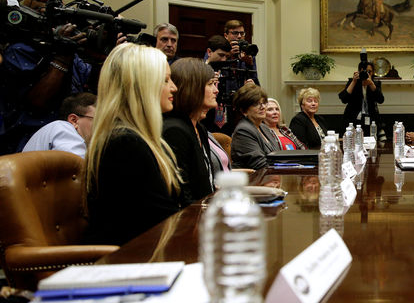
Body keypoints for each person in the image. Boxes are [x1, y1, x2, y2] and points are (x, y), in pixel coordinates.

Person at [85, 43, 183, 246]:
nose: (173, 87)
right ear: (143, 87)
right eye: (165, 80)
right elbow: (161, 221)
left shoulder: (132, 138)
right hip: (132, 263)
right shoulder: (125, 143)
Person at [0, 0, 93, 154]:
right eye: (44, 11)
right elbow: (38, 102)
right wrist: (61, 58)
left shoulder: (70, 49)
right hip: (30, 143)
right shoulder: (19, 50)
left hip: (74, 141)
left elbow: (89, 90)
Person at [162, 58, 217, 201]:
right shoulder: (174, 131)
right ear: (192, 88)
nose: (216, 90)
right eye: (210, 84)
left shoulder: (199, 128)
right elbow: (182, 195)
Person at [22, 92, 96, 157]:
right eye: (97, 120)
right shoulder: (63, 128)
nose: (102, 127)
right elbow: (80, 168)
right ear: (74, 120)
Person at [230, 84, 274, 170]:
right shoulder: (243, 131)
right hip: (252, 180)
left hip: (271, 177)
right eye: (256, 104)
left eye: (264, 103)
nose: (263, 107)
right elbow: (260, 164)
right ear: (244, 110)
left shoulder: (264, 127)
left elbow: (278, 156)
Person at [339, 59, 384, 133]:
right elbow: (344, 99)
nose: (367, 74)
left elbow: (380, 100)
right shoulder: (353, 82)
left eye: (369, 72)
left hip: (371, 119)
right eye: (365, 71)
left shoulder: (375, 84)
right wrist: (354, 82)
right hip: (353, 119)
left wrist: (371, 84)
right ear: (359, 71)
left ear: (373, 73)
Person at [223, 19, 259, 84]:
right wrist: (227, 55)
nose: (239, 36)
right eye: (235, 33)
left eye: (242, 33)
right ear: (226, 36)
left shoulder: (248, 53)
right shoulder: (218, 51)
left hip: (241, 92)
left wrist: (249, 64)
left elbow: (255, 83)